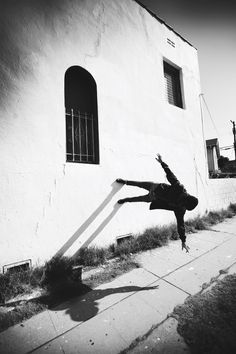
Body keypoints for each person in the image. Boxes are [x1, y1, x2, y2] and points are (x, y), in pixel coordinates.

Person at [116, 154, 198, 252]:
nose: (182, 206)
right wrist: (162, 163)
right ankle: (125, 182)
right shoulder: (180, 189)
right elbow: (171, 175)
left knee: (138, 199)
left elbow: (180, 225)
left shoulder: (180, 209)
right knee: (139, 184)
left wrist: (183, 241)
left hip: (154, 198)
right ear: (186, 199)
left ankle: (125, 200)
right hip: (155, 187)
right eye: (184, 204)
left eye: (184, 206)